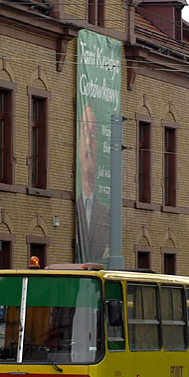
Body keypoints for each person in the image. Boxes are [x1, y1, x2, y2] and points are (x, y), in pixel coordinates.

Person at [75, 102, 109, 263]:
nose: (88, 143)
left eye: (93, 136)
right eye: (84, 133)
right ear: (78, 144)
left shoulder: (108, 214)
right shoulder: (73, 207)